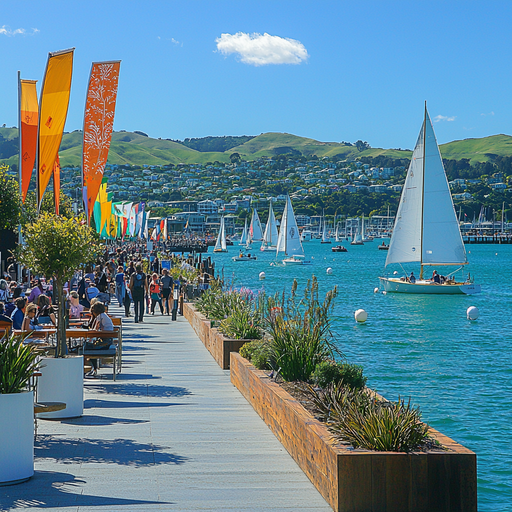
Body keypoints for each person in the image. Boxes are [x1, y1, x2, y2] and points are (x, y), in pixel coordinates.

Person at [83, 302, 114, 378]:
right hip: (108, 341)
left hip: (105, 343)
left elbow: (95, 330)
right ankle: (93, 368)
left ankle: (93, 369)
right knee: (89, 345)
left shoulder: (100, 317)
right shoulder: (103, 316)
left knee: (87, 347)